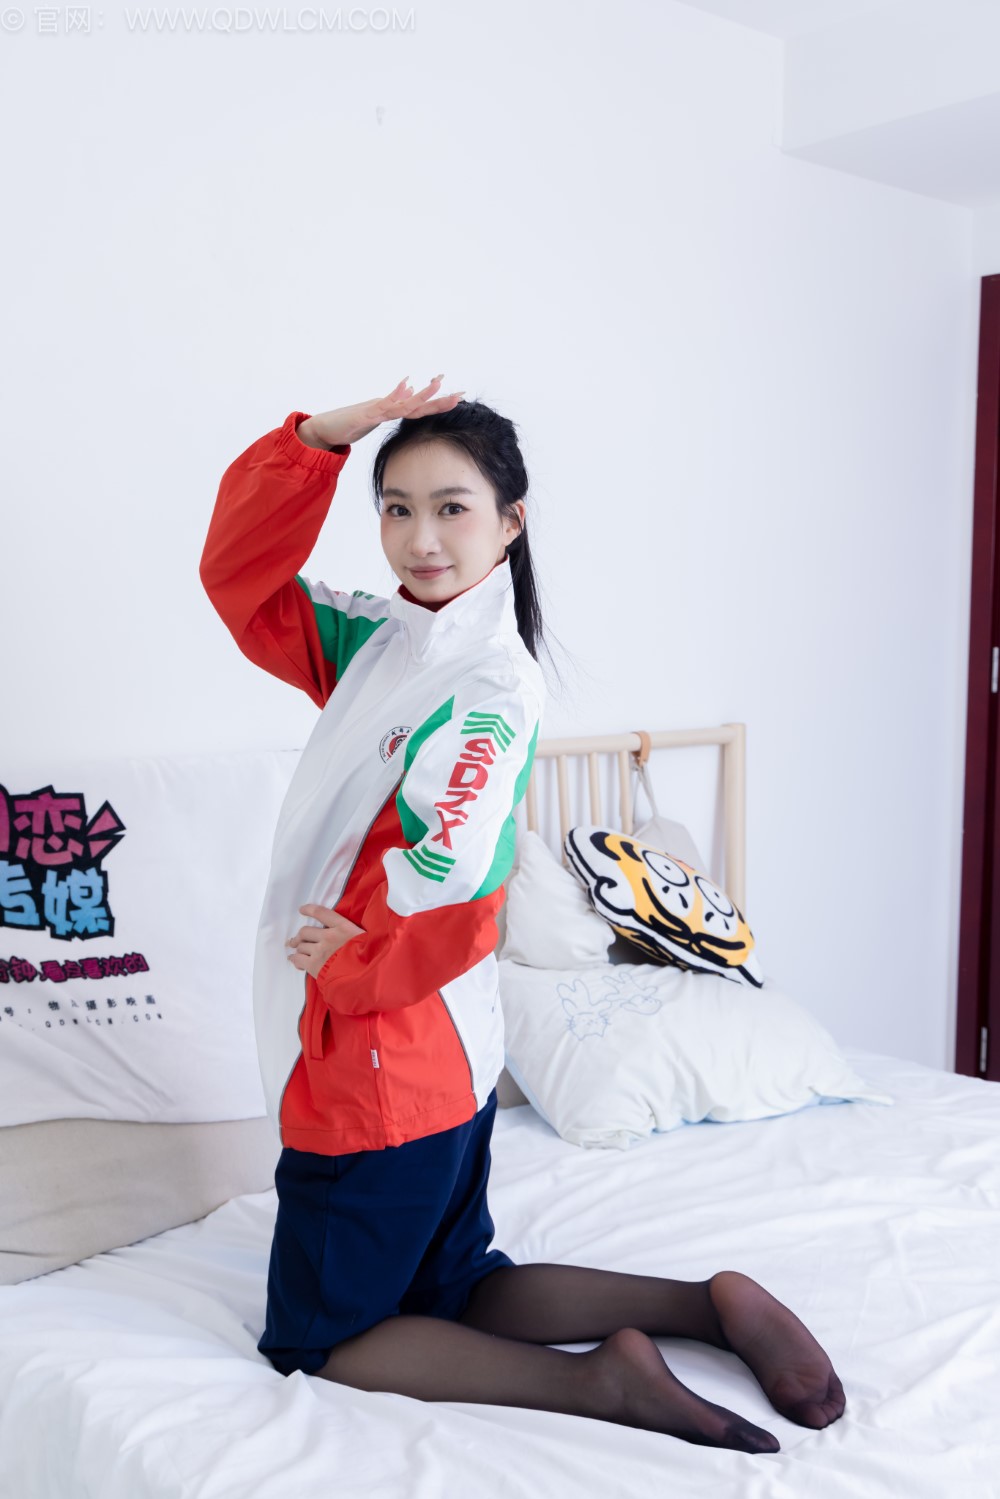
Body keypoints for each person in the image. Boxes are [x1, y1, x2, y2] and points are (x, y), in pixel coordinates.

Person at [199, 375, 845, 1453]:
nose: (420, 538)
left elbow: (455, 874)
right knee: (452, 1282)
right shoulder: (388, 642)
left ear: (511, 520)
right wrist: (310, 443)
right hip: (446, 1053)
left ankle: (602, 1383)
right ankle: (704, 1304)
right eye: (396, 508)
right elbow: (243, 583)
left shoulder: (486, 683)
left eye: (451, 507)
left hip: (377, 1059)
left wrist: (352, 967)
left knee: (317, 1338)